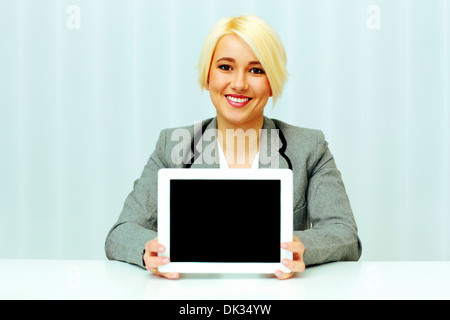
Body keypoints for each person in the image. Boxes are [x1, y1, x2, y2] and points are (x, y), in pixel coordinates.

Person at [105, 14, 362, 280]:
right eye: (226, 67)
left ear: (272, 82)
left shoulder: (309, 147)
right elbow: (122, 231)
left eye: (256, 70)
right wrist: (149, 251)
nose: (239, 83)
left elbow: (344, 234)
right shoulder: (173, 145)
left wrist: (300, 247)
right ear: (207, 76)